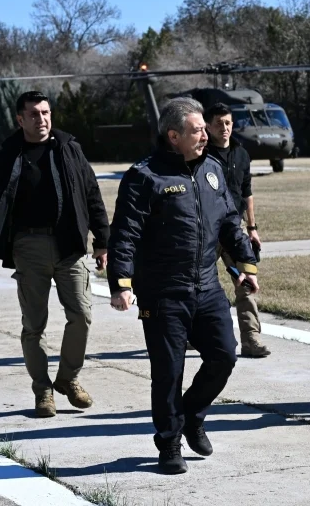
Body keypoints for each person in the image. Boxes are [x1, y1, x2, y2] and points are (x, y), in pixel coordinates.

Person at [107, 96, 258, 475]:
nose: (205, 136)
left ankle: (192, 415)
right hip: (162, 292)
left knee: (224, 355)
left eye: (205, 129)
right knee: (168, 371)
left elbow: (228, 220)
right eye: (196, 131)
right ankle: (169, 443)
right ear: (173, 135)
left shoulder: (212, 170)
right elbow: (124, 234)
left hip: (207, 287)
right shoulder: (144, 176)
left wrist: (246, 264)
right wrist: (121, 283)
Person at [0, 90, 109, 418]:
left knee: (82, 314)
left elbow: (92, 192)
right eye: (33, 114)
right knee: (34, 325)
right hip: (28, 247)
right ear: (20, 119)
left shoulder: (68, 147)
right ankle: (43, 390)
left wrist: (103, 241)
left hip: (69, 246)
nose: (41, 119)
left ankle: (68, 379)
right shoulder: (9, 154)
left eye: (45, 112)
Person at [203, 102, 270, 358]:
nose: (225, 128)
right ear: (208, 127)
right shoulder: (201, 155)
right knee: (199, 285)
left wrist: (251, 227)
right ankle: (190, 334)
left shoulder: (241, 154)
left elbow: (247, 192)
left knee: (247, 282)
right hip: (207, 230)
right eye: (219, 123)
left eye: (228, 123)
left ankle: (251, 340)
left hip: (234, 230)